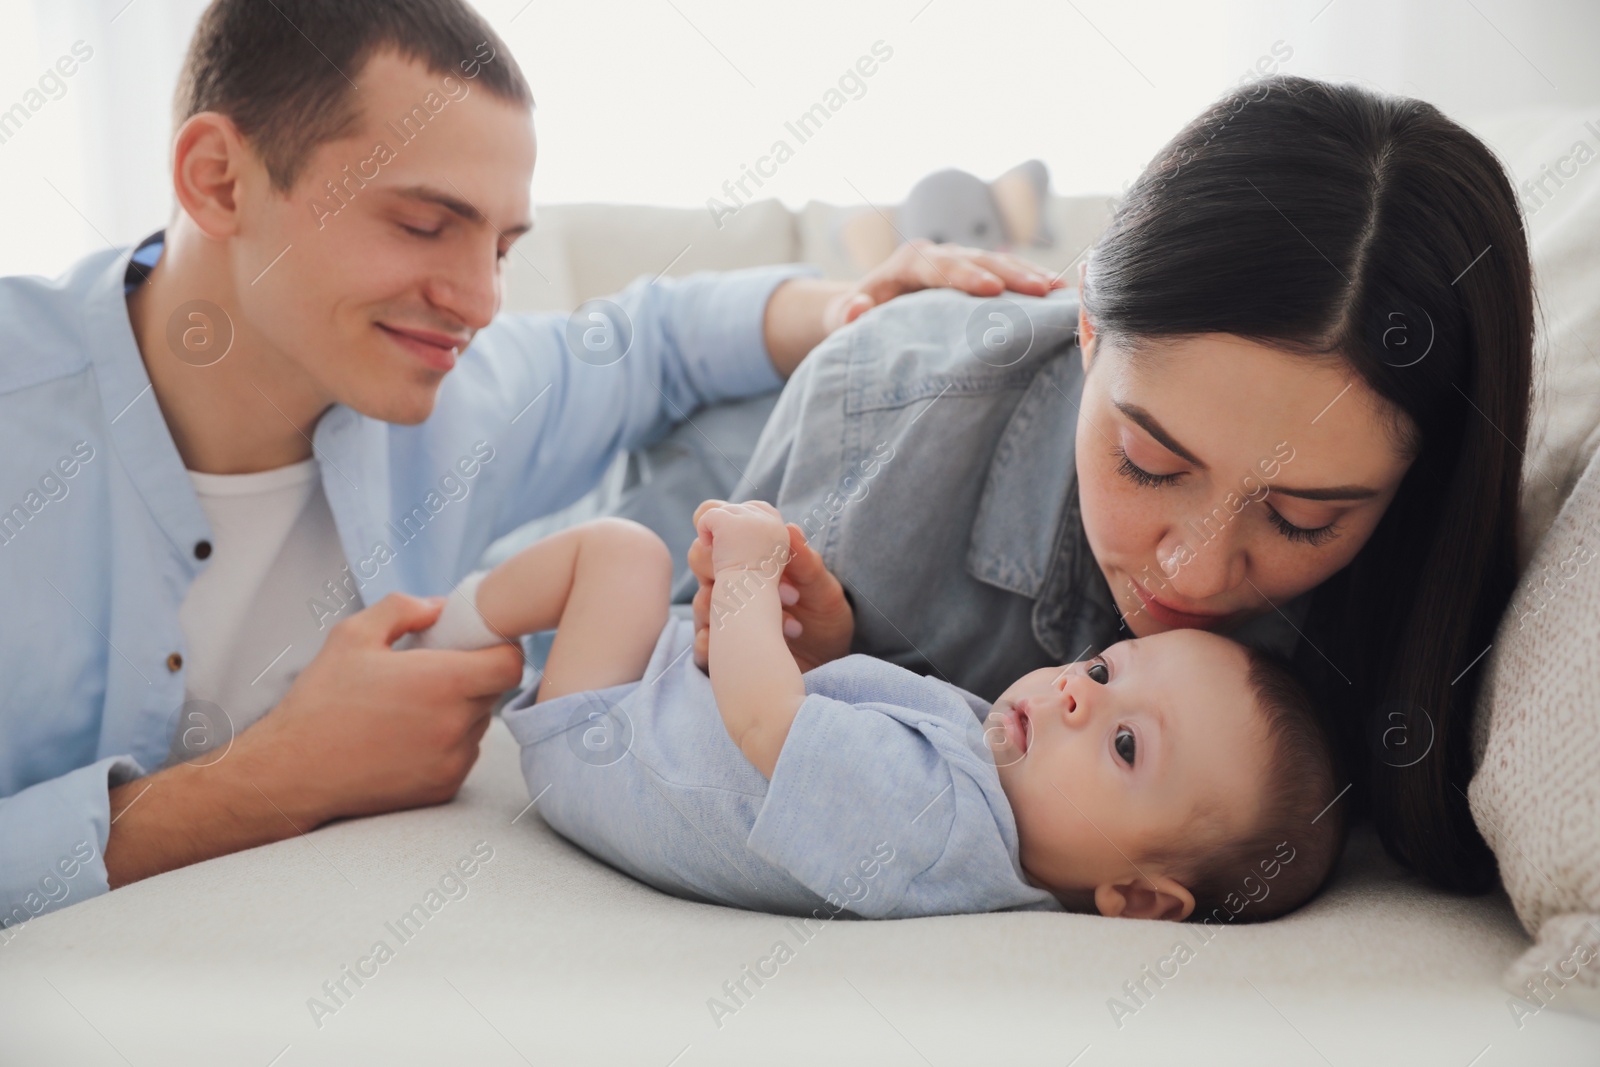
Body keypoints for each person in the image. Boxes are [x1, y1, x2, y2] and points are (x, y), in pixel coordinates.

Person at [0, 0, 1059, 930]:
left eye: (501, 248)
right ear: (219, 180)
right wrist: (267, 779)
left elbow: (659, 337)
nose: (480, 299)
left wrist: (855, 311)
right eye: (423, 223)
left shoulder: (454, 400)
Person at [687, 74, 1534, 894]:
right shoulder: (877, 427)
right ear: (1088, 326)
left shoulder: (1434, 595)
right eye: (1150, 462)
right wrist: (825, 657)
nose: (1194, 575)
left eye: (1303, 518)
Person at [407, 505, 1345, 922]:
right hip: (661, 700)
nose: (1075, 691)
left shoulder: (938, 822)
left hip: (608, 734)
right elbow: (832, 716)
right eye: (1104, 668)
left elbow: (768, 724)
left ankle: (427, 636)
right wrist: (816, 643)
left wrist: (743, 574)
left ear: (1139, 897)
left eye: (1126, 741)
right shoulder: (995, 791)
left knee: (616, 548)